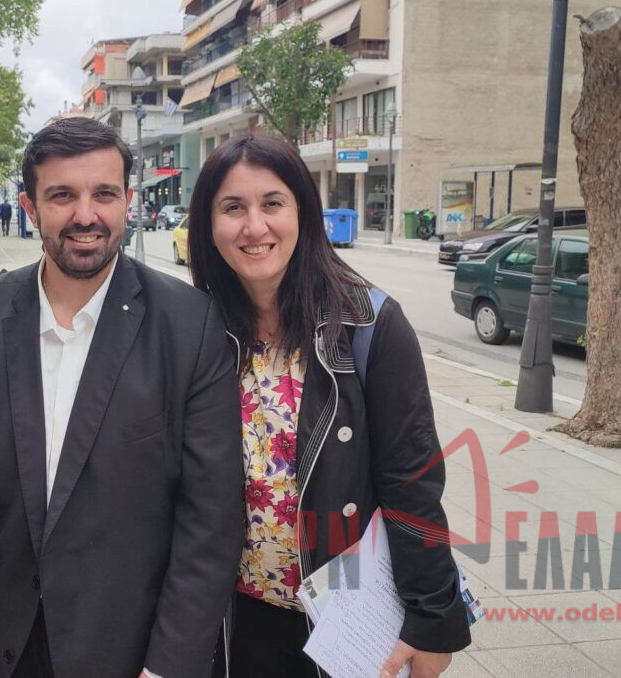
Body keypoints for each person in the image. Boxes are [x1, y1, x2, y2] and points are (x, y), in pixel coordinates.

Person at [0, 117, 243, 678]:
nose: (85, 215)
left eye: (104, 194)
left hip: (126, 652)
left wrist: (168, 667)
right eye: (62, 195)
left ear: (128, 202)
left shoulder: (190, 326)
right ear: (30, 206)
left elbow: (210, 520)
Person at [185, 133, 471, 678]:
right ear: (208, 224)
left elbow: (412, 481)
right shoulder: (197, 328)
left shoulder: (369, 324)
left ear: (303, 212)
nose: (254, 227)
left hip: (342, 624)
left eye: (272, 203)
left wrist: (433, 619)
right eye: (233, 208)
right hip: (230, 623)